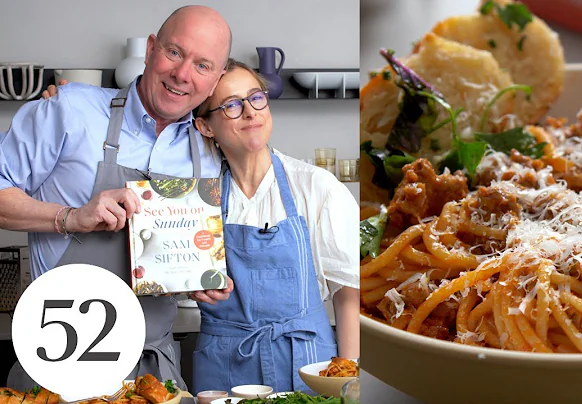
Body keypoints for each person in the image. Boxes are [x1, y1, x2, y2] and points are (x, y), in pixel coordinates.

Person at [0, 5, 234, 391]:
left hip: (152, 372)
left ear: (215, 80)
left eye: (203, 65)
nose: (182, 74)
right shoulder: (70, 109)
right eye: (175, 52)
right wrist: (70, 217)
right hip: (58, 365)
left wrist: (199, 276)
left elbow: (179, 257)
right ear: (151, 49)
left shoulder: (207, 152)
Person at [188, 59, 360, 394]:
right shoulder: (196, 197)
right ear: (205, 127)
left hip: (306, 364)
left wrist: (349, 380)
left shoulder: (316, 187)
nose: (250, 112)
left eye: (256, 98)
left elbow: (349, 292)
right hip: (223, 367)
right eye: (232, 106)